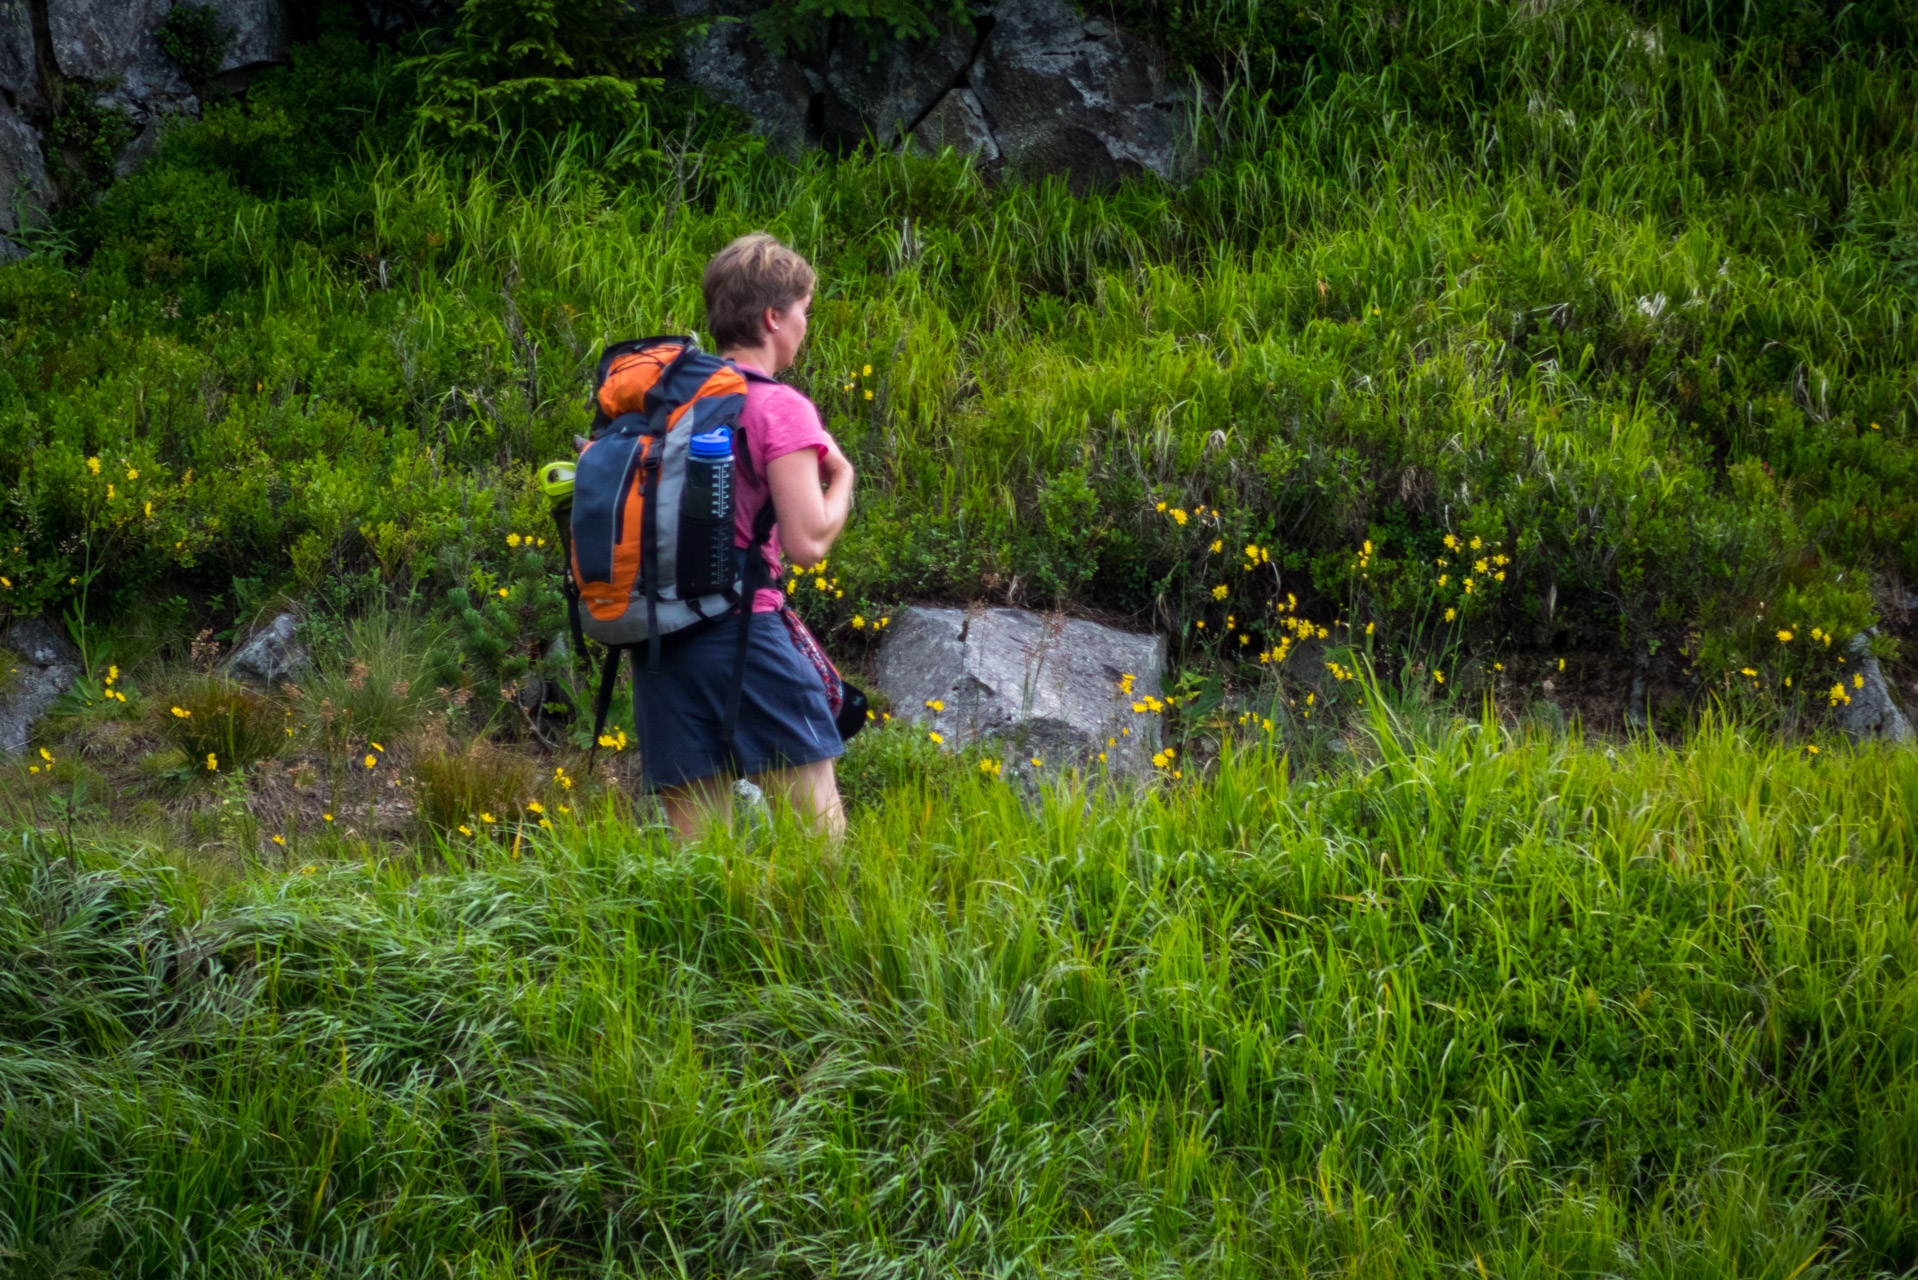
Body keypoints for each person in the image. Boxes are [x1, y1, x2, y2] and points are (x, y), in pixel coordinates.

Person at [634, 232, 856, 840]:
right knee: (818, 833)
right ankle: (833, 936)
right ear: (773, 317)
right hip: (742, 632)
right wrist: (843, 478)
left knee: (699, 857)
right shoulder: (776, 407)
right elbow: (809, 543)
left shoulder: (669, 404)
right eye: (804, 313)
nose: (805, 327)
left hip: (658, 636)